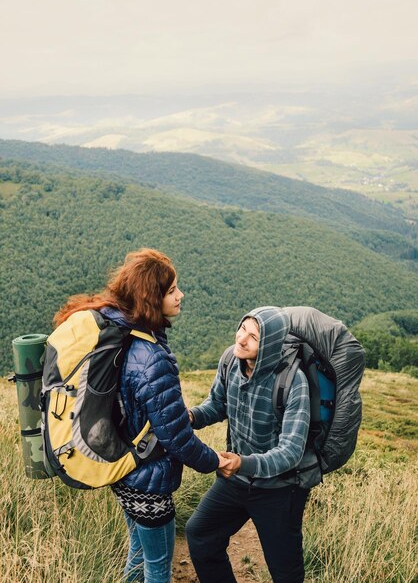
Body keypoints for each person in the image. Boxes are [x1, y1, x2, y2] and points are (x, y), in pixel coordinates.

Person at [53, 248, 227, 583]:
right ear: (152, 298)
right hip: (149, 481)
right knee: (158, 568)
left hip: (123, 469)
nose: (181, 295)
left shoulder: (120, 330)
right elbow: (176, 439)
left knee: (138, 554)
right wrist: (215, 462)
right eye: (172, 290)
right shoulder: (150, 357)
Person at [186, 306, 321, 583]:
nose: (241, 339)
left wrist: (242, 463)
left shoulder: (293, 382)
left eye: (253, 337)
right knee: (200, 534)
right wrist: (191, 416)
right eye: (242, 328)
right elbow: (217, 404)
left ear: (270, 344)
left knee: (285, 571)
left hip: (280, 489)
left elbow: (291, 452)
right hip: (236, 479)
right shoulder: (229, 360)